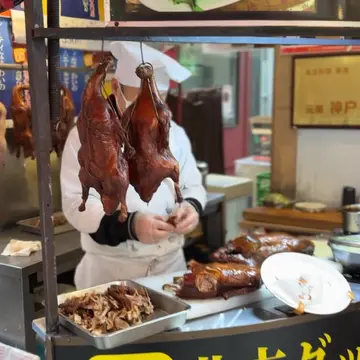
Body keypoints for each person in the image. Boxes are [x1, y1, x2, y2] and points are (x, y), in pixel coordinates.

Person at [60, 41, 207, 289]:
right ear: (116, 88)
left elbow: (193, 185)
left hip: (170, 270)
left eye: (157, 103)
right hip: (111, 276)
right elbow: (76, 204)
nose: (149, 115)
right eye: (139, 102)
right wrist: (130, 225)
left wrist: (191, 209)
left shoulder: (174, 133)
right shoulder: (88, 137)